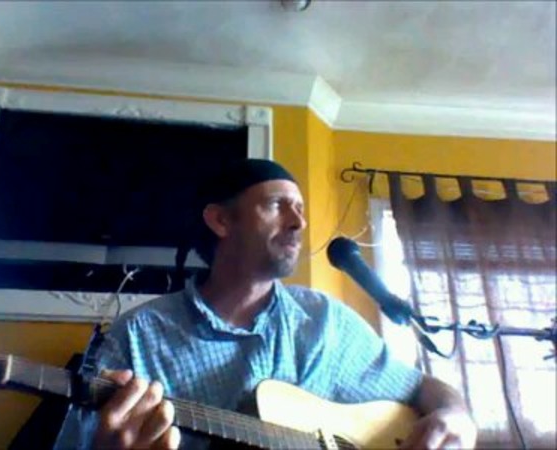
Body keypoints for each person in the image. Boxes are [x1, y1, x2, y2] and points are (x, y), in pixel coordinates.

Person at [56, 159, 477, 450]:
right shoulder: (138, 336)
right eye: (278, 205)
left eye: (300, 209)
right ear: (221, 220)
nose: (299, 222)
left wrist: (456, 416)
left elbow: (421, 388)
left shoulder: (325, 321)